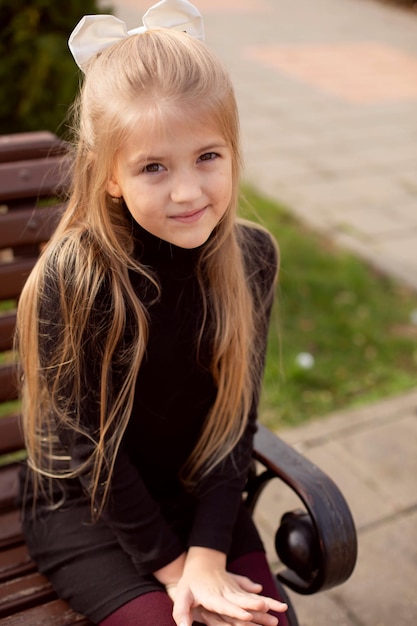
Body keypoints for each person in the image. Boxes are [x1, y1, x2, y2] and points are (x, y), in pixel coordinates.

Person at [17, 1, 289, 625]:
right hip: (87, 510)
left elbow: (233, 424)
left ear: (233, 148)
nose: (188, 191)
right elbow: (88, 455)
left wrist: (208, 554)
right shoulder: (76, 280)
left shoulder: (251, 257)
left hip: (195, 497)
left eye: (208, 157)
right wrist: (178, 573)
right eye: (154, 167)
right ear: (110, 175)